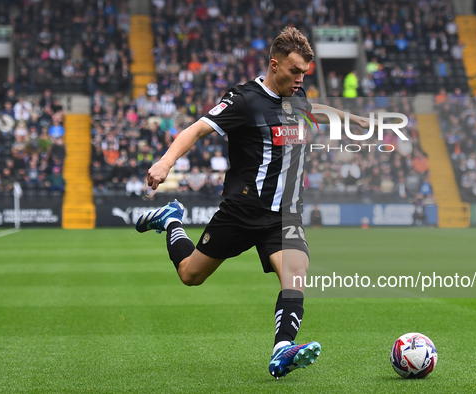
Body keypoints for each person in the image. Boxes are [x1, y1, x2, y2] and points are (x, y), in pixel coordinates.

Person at [135, 28, 369, 379]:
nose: (300, 79)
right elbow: (197, 129)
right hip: (242, 212)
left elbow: (315, 110)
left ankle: (282, 350)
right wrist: (166, 162)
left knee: (295, 274)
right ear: (274, 66)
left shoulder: (298, 97)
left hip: (284, 215)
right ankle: (171, 220)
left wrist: (351, 120)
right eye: (294, 71)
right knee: (190, 275)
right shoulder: (244, 100)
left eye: (304, 72)